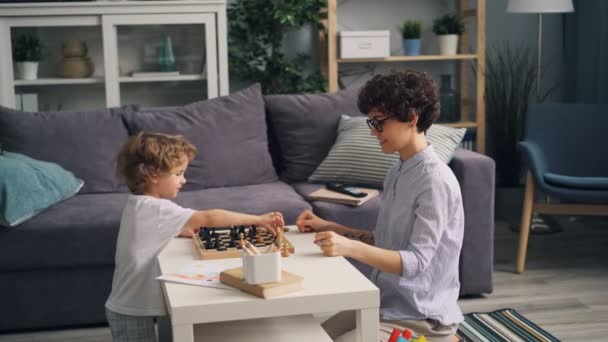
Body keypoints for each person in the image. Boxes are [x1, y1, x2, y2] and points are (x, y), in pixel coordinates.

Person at [296, 71, 464, 342]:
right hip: (387, 305)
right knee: (314, 337)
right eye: (371, 122)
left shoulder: (434, 181)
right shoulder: (397, 171)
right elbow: (386, 242)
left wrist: (349, 247)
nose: (374, 131)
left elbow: (416, 263)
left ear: (412, 117)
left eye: (379, 122)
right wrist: (330, 227)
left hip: (421, 318)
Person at [105, 132, 284, 342]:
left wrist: (180, 228)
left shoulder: (141, 204)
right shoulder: (156, 209)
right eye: (178, 173)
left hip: (131, 304)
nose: (184, 180)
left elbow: (154, 233)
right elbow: (208, 218)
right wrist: (258, 219)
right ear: (153, 174)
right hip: (130, 309)